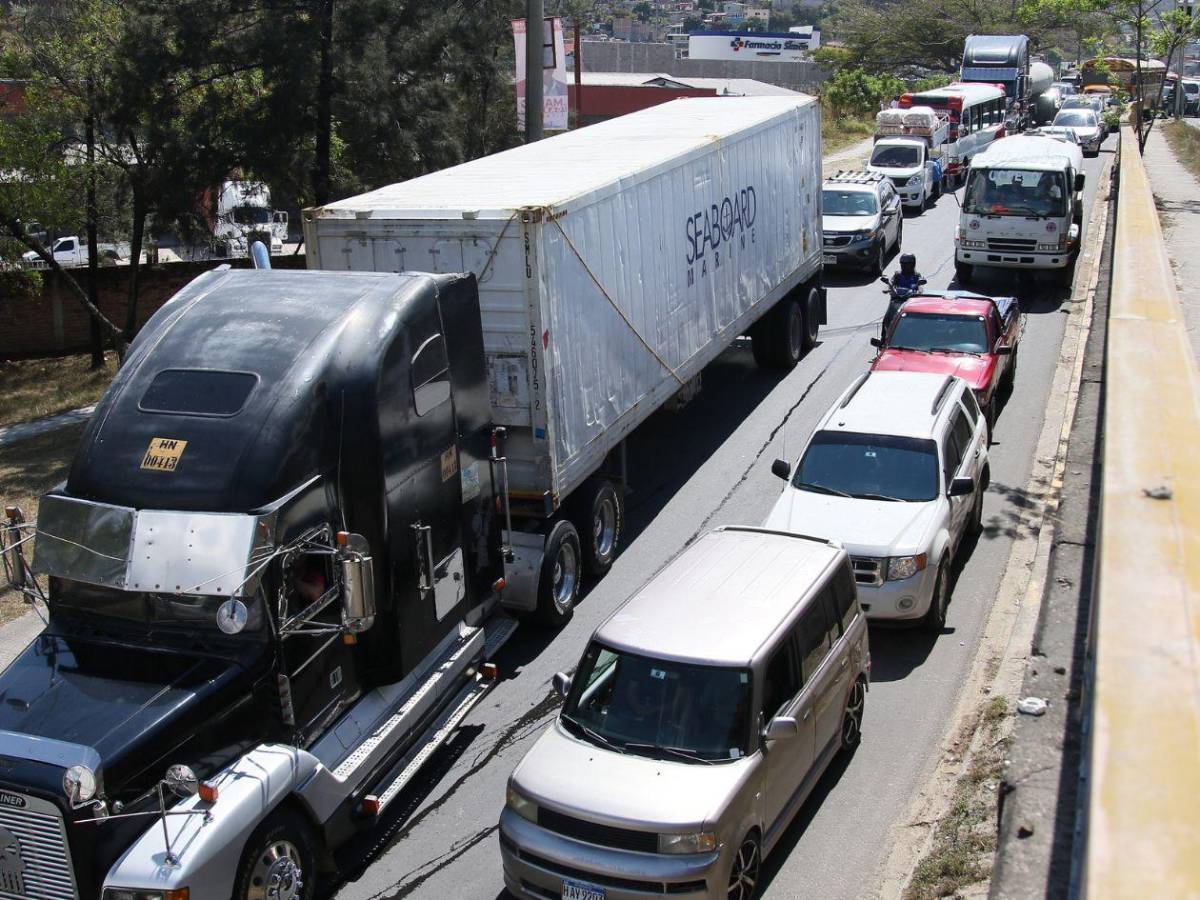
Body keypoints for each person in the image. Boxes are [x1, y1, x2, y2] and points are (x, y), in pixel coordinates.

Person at [883, 254, 922, 338]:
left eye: (908, 264)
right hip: (896, 299)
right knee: (886, 319)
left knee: (919, 320)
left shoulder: (916, 276)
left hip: (910, 301)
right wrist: (887, 288)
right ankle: (883, 338)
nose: (905, 266)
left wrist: (919, 291)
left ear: (913, 264)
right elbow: (891, 282)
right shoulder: (897, 275)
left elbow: (920, 286)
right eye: (903, 264)